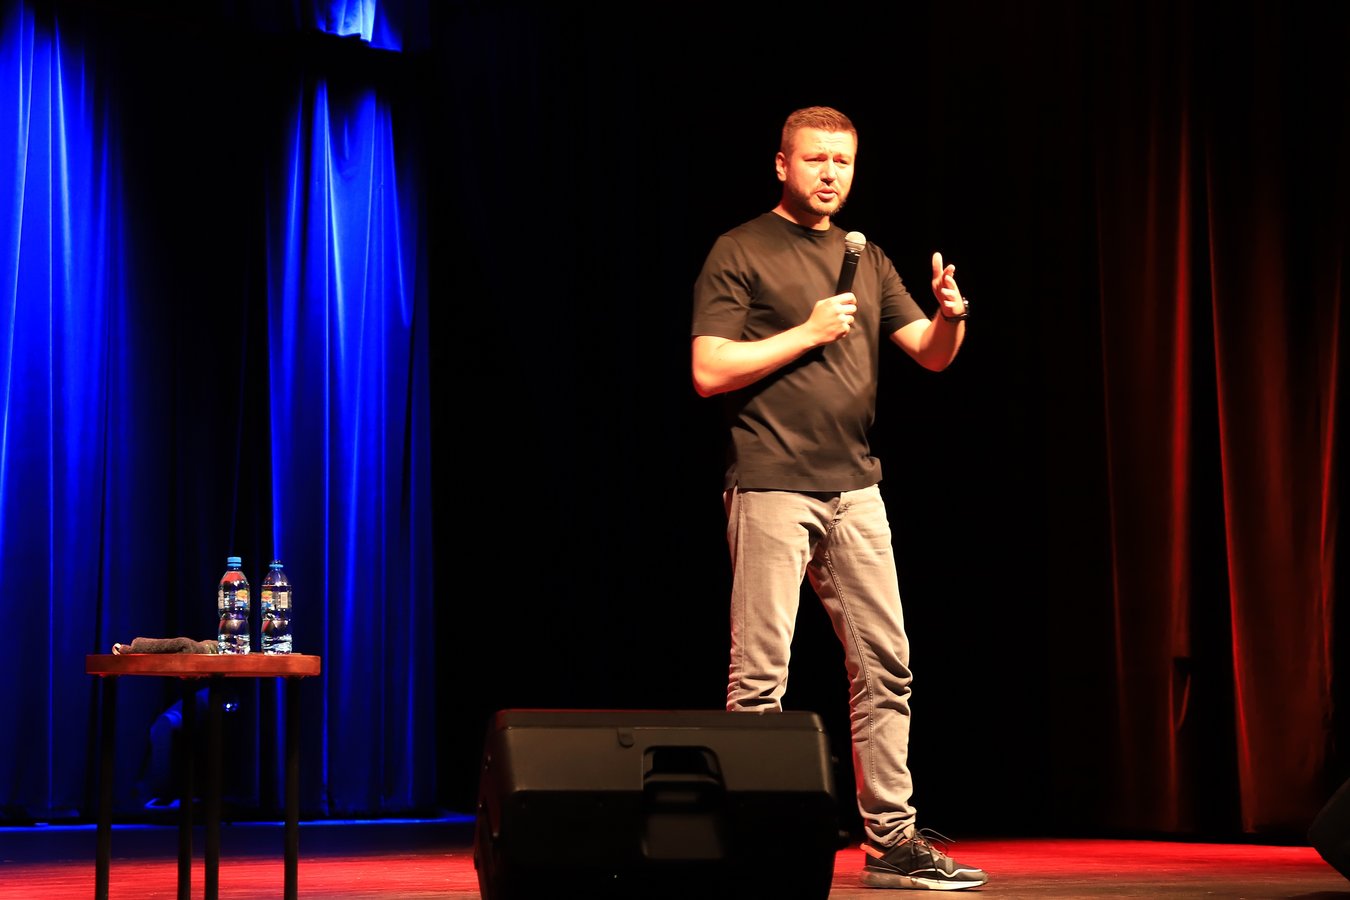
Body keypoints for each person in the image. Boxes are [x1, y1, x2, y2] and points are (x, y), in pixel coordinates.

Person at [689, 105, 988, 891]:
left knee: (887, 666)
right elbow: (709, 370)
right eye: (815, 158)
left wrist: (952, 317)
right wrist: (808, 332)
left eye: (843, 161)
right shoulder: (740, 249)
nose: (830, 173)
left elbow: (930, 355)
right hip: (770, 481)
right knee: (760, 679)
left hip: (856, 487)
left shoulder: (868, 257)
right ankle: (747, 842)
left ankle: (891, 841)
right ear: (782, 164)